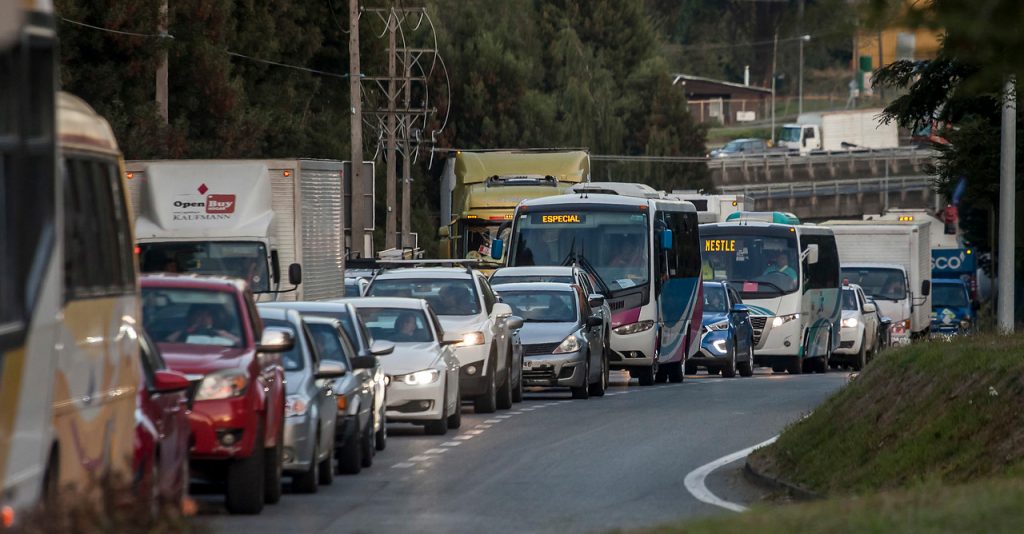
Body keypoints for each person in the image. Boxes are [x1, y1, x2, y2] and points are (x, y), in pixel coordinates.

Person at [167, 304, 240, 345]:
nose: (203, 318)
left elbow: (239, 343)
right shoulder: (182, 333)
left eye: (208, 315)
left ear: (215, 317)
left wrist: (220, 333)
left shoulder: (224, 333)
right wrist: (187, 330)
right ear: (191, 317)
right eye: (199, 315)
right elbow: (167, 343)